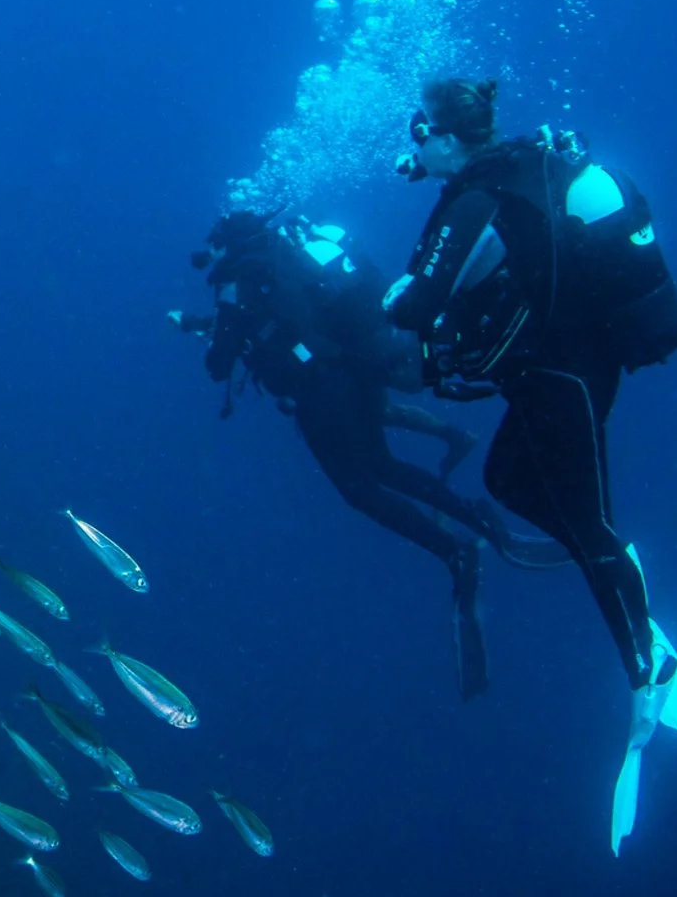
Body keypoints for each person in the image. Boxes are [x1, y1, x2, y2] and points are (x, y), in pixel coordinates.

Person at [382, 77, 677, 850]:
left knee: (588, 523)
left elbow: (417, 304)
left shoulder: (477, 194)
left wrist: (390, 292)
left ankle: (642, 670)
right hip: (557, 369)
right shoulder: (522, 170)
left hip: (566, 372)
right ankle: (619, 574)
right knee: (506, 479)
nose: (412, 145)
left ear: (448, 136)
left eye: (419, 131)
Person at [181, 209, 522, 699]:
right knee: (382, 464)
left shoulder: (239, 277)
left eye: (212, 245)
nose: (207, 255)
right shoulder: (284, 257)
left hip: (320, 393)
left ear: (224, 244)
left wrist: (214, 339)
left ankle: (456, 552)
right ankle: (476, 518)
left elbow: (220, 363)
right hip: (354, 371)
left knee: (357, 489)